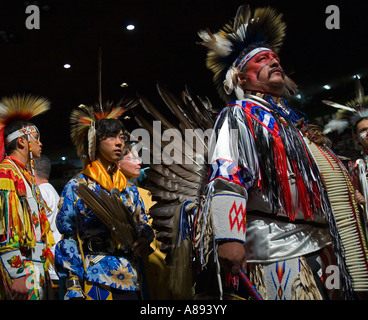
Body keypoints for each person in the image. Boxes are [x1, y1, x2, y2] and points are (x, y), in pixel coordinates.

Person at [194, 4, 354, 300]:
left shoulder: (294, 121)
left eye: (275, 58)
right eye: (262, 59)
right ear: (241, 79)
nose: (274, 61)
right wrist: (229, 237)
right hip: (276, 244)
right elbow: (227, 174)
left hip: (321, 241)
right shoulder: (238, 114)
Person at [55, 102, 154, 300]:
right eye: (110, 137)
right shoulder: (77, 187)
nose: (119, 143)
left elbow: (143, 225)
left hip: (132, 279)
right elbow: (69, 238)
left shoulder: (129, 189)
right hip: (96, 280)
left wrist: (144, 239)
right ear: (95, 142)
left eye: (121, 137)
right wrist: (73, 285)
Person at [0, 95, 55, 300]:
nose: (40, 144)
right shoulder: (6, 174)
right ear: (22, 140)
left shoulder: (26, 176)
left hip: (35, 265)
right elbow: (3, 228)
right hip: (20, 268)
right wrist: (16, 274)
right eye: (36, 138)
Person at [118, 143, 173, 300]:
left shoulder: (147, 195)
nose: (139, 161)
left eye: (139, 157)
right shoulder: (112, 194)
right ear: (117, 162)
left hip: (158, 266)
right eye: (133, 157)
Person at [34, 155, 61, 297]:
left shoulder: (41, 192)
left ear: (32, 171)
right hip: (56, 259)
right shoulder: (50, 189)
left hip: (50, 263)